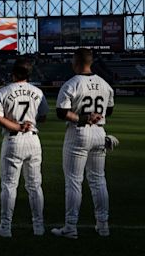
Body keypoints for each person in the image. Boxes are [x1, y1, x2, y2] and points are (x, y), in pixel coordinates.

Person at [52, 48, 118, 239]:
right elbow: (110, 110)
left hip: (78, 132)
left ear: (76, 61)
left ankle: (71, 228)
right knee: (98, 180)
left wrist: (82, 117)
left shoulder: (72, 83)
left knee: (74, 182)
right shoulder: (105, 84)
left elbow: (61, 113)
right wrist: (97, 117)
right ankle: (103, 226)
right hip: (100, 132)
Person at [0, 58, 49, 238]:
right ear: (29, 75)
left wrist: (16, 126)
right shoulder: (37, 92)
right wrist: (28, 123)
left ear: (13, 74)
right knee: (35, 186)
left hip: (13, 141)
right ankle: (39, 227)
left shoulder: (3, 91)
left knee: (9, 186)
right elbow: (43, 117)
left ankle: (5, 227)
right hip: (33, 140)